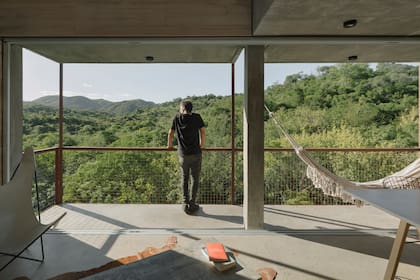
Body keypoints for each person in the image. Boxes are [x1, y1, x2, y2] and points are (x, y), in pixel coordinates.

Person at [167, 100, 206, 214]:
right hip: (196, 153)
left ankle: (185, 203)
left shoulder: (177, 117)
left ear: (183, 108)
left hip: (183, 154)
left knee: (184, 178)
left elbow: (170, 133)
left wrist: (169, 145)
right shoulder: (197, 117)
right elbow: (203, 132)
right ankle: (192, 203)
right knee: (195, 179)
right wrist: (201, 145)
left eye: (180, 107)